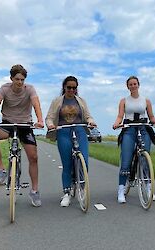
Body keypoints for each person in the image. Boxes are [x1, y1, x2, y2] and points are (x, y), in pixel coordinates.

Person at [0, 64, 44, 207]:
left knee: (33, 157)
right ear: (11, 78)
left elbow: (36, 104)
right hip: (8, 124)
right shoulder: (4, 88)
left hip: (25, 125)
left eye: (22, 79)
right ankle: (2, 170)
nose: (20, 82)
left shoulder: (29, 89)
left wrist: (40, 120)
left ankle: (34, 191)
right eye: (17, 79)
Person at [46, 76, 97, 207]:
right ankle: (66, 193)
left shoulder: (81, 101)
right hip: (63, 132)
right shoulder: (57, 101)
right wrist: (51, 125)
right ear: (64, 87)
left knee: (84, 161)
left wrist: (90, 121)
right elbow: (50, 117)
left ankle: (81, 186)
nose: (71, 90)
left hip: (80, 131)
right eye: (69, 87)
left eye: (74, 88)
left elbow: (88, 115)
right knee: (67, 164)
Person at [112, 76, 155, 204]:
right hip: (129, 129)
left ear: (138, 85)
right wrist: (116, 124)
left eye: (135, 84)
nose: (133, 86)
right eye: (130, 84)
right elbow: (120, 116)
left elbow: (151, 116)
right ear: (128, 86)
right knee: (126, 159)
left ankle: (148, 188)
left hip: (143, 128)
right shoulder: (124, 101)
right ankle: (121, 189)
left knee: (145, 159)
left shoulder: (146, 100)